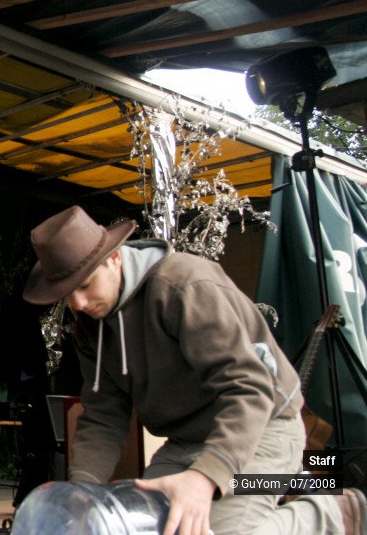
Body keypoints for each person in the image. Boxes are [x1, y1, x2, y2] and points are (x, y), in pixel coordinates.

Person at [22, 206, 365, 535]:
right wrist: (82, 494)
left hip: (262, 429)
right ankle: (276, 488)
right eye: (68, 294)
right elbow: (103, 415)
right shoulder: (91, 326)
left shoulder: (183, 286)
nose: (78, 304)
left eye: (85, 286)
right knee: (148, 525)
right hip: (185, 441)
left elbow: (250, 388)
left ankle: (334, 513)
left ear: (114, 258)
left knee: (217, 531)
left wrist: (204, 479)